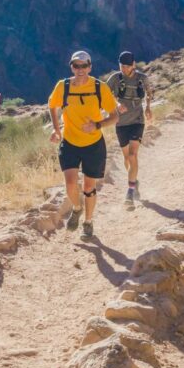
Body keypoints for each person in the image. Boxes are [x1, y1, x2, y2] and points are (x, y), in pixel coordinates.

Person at [48, 50, 119, 241]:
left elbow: (114, 116)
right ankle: (77, 209)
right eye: (76, 65)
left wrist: (97, 125)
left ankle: (88, 222)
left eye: (84, 65)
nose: (80, 69)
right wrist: (56, 130)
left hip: (93, 144)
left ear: (90, 67)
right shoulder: (62, 86)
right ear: (71, 66)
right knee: (70, 183)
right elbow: (52, 106)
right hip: (70, 142)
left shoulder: (99, 87)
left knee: (89, 187)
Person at [104, 51, 154, 207]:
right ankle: (134, 181)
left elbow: (149, 93)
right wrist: (116, 104)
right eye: (121, 66)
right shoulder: (115, 78)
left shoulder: (142, 78)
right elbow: (105, 94)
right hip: (120, 122)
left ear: (133, 64)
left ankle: (130, 191)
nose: (124, 69)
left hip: (137, 120)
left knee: (133, 155)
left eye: (127, 66)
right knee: (126, 158)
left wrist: (148, 108)